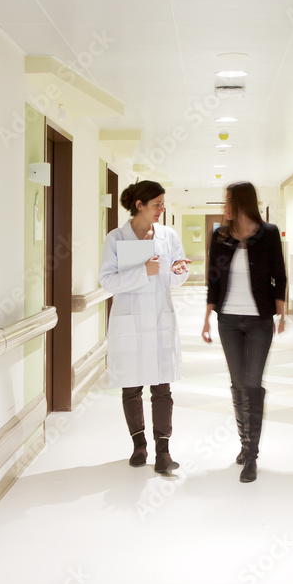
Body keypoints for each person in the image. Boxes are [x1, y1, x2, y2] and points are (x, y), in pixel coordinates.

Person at [100, 180, 191, 474]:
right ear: (139, 205)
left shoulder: (168, 235)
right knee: (132, 387)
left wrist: (178, 271)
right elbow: (107, 281)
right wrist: (143, 271)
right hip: (129, 320)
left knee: (162, 387)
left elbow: (176, 274)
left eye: (163, 204)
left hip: (160, 319)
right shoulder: (115, 238)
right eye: (157, 204)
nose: (161, 210)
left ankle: (163, 451)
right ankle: (139, 445)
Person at [201, 181, 287, 483]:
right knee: (238, 384)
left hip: (259, 320)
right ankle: (244, 444)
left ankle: (251, 455)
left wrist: (282, 311)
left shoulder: (269, 234)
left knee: (253, 384)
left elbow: (280, 272)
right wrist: (207, 316)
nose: (224, 206)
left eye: (228, 201)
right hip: (228, 320)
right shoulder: (220, 236)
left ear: (242, 203)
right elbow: (213, 279)